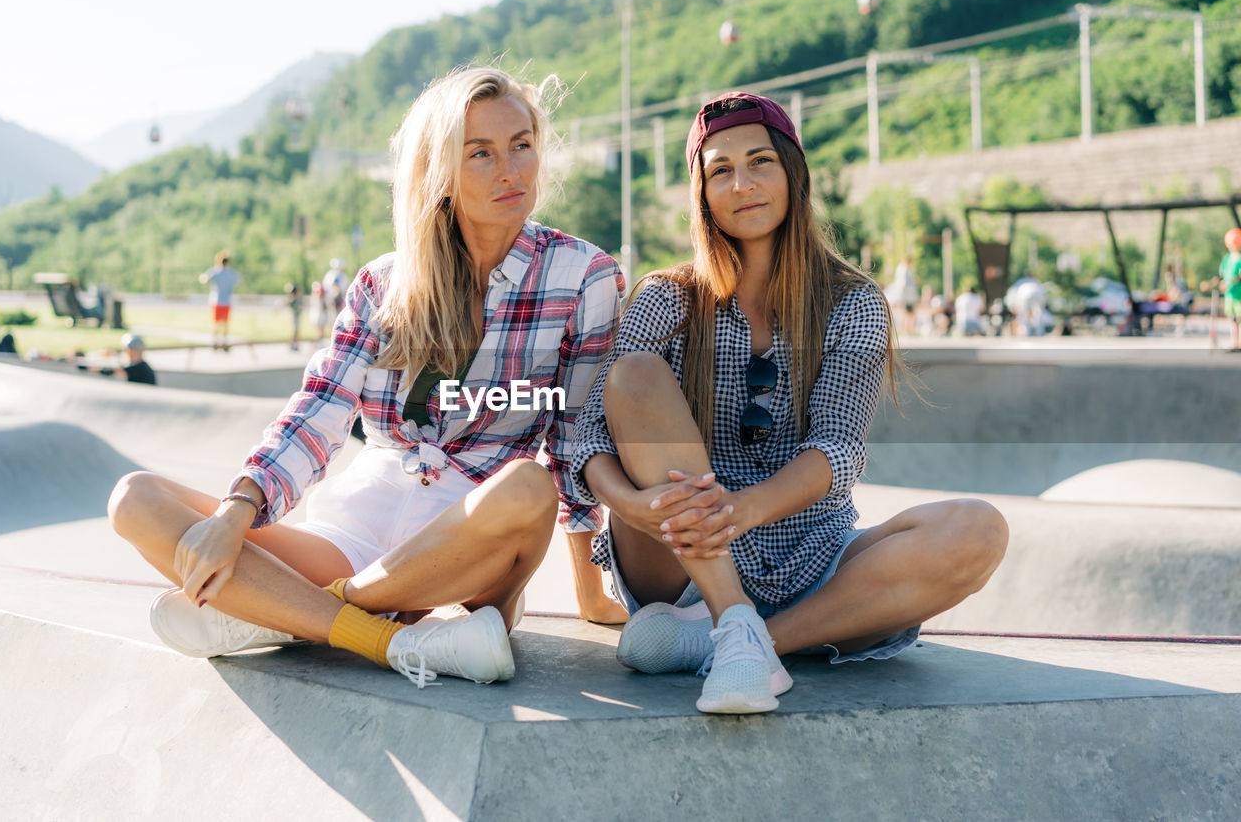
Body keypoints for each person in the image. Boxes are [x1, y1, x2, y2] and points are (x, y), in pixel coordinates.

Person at [108, 67, 627, 690]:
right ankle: (384, 636)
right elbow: (320, 410)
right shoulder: (383, 283)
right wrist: (235, 512)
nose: (511, 170)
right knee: (135, 500)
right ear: (439, 170)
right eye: (481, 153)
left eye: (521, 144)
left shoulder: (584, 275)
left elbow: (574, 438)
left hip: (472, 534)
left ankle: (278, 617)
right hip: (361, 521)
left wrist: (589, 592)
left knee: (528, 486)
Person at [571, 92, 1008, 714]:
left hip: (810, 557)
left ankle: (740, 642)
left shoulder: (851, 303)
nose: (743, 183)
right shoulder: (667, 299)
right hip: (680, 560)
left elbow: (837, 449)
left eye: (760, 162)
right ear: (701, 194)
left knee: (978, 528)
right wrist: (636, 507)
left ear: (792, 173)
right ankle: (724, 614)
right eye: (720, 170)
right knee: (633, 377)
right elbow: (588, 439)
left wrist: (741, 508)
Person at [199, 250, 241, 351]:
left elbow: (204, 279)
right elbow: (240, 280)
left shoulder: (215, 271)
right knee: (225, 324)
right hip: (226, 301)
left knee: (215, 323)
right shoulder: (231, 273)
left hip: (216, 301)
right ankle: (224, 342)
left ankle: (215, 342)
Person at [1219, 228, 1241, 351]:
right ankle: (1235, 343)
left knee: (1239, 318)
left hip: (1240, 294)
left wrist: (1233, 280)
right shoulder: (1226, 259)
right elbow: (1221, 275)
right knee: (1232, 319)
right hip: (1230, 295)